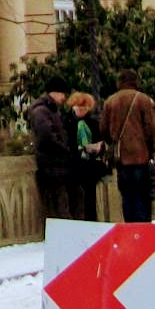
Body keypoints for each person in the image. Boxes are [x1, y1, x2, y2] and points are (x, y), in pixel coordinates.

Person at [100, 70, 155, 223]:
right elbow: (151, 129)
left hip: (121, 157)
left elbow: (103, 129)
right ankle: (143, 229)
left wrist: (113, 142)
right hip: (141, 155)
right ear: (136, 81)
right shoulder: (142, 99)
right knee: (142, 194)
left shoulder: (110, 101)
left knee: (127, 195)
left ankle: (130, 227)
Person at [25, 78, 76, 224]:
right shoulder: (42, 110)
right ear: (55, 93)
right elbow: (47, 137)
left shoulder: (51, 109)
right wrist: (65, 149)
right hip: (52, 165)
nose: (64, 98)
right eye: (63, 94)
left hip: (57, 165)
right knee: (59, 206)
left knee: (63, 204)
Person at [66, 90, 107, 220]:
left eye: (85, 108)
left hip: (90, 168)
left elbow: (101, 142)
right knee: (74, 201)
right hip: (74, 167)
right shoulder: (67, 123)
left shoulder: (93, 123)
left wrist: (98, 147)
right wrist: (81, 149)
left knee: (90, 200)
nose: (82, 111)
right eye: (79, 108)